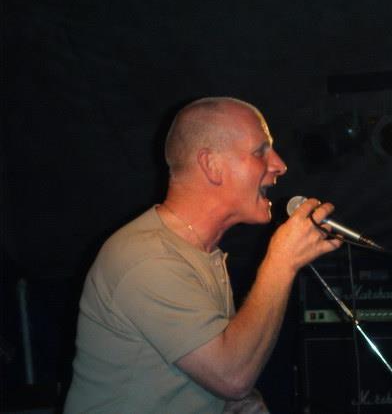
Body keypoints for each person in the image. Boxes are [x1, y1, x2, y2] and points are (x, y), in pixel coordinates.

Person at [64, 97, 342, 413]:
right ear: (211, 165)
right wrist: (281, 262)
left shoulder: (198, 252)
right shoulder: (148, 257)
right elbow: (232, 377)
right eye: (260, 152)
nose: (279, 165)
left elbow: (218, 388)